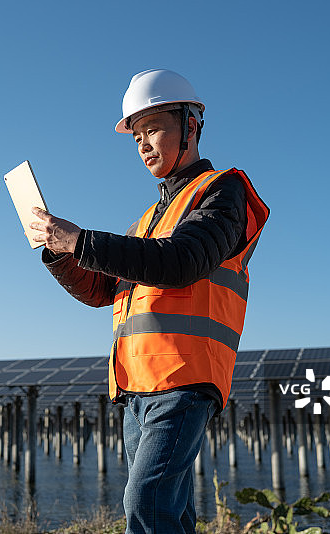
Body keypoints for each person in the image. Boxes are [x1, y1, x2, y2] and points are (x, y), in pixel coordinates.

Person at [30, 69, 269, 534]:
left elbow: (183, 261)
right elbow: (104, 291)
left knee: (147, 503)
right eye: (136, 135)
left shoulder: (222, 192)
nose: (142, 144)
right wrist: (59, 253)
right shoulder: (146, 222)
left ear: (191, 126)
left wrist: (81, 240)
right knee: (169, 513)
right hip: (137, 388)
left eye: (153, 128)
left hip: (184, 378)